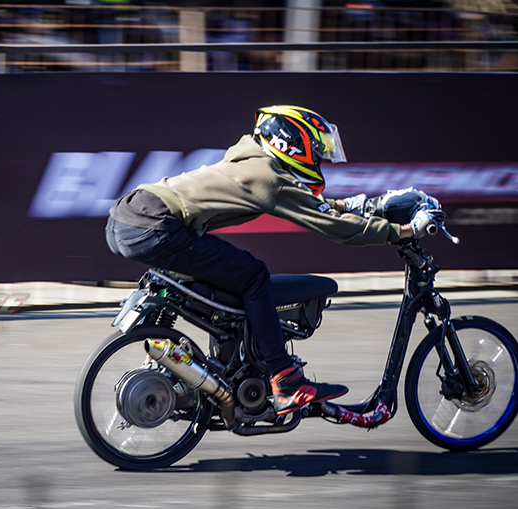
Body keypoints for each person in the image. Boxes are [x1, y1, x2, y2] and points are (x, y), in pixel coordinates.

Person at [105, 105, 435, 416]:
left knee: (224, 288)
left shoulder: (253, 163)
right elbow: (335, 229)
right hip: (155, 227)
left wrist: (351, 206)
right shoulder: (269, 177)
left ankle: (220, 371)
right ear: (292, 144)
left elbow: (308, 206)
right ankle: (285, 379)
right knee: (253, 276)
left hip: (129, 217)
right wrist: (403, 231)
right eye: (317, 152)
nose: (320, 160)